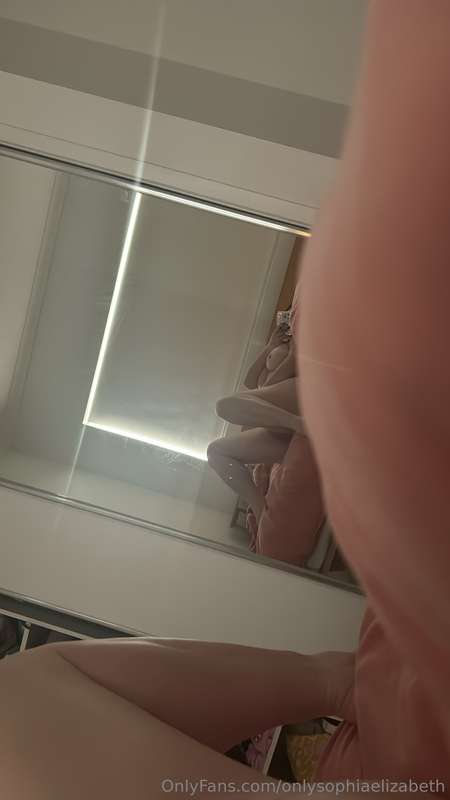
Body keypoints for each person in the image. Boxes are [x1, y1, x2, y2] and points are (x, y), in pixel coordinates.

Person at [1, 1, 450, 796]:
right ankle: (310, 442)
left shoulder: (294, 328)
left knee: (235, 419)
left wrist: (279, 352)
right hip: (302, 404)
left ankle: (331, 663)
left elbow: (254, 387)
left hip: (298, 393)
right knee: (230, 432)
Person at [207, 311, 304, 522]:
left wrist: (287, 354)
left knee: (223, 406)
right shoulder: (273, 348)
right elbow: (250, 383)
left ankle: (299, 425)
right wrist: (269, 346)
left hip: (294, 401)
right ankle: (260, 510)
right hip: (279, 424)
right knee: (215, 451)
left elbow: (281, 375)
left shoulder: (291, 345)